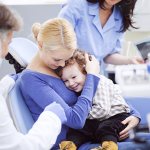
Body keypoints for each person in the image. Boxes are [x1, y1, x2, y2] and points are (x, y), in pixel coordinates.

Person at [17, 18, 101, 149]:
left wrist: (132, 114)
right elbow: (76, 120)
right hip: (69, 144)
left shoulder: (57, 65)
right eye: (57, 59)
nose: (62, 64)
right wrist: (92, 76)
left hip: (91, 132)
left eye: (66, 59)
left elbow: (99, 93)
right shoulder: (31, 79)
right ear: (40, 44)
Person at [0, 3, 67, 150]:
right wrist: (52, 116)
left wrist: (6, 83)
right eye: (8, 44)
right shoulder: (32, 80)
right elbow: (21, 148)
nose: (5, 54)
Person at [58, 50, 139, 150]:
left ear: (86, 72)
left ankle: (109, 146)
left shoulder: (99, 82)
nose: (70, 83)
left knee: (106, 127)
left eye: (74, 77)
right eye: (65, 80)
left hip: (117, 117)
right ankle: (69, 146)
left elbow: (102, 109)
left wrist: (79, 115)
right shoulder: (80, 87)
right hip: (98, 119)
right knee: (78, 129)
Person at [58, 0, 144, 71]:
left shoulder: (120, 16)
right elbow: (58, 41)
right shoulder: (76, 5)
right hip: (69, 76)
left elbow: (108, 56)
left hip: (96, 77)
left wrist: (130, 60)